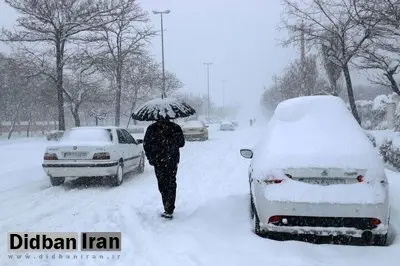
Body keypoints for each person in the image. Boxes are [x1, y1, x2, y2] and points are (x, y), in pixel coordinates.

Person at [143, 118, 185, 219]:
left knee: (162, 184)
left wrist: (151, 158)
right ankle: (169, 208)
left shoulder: (152, 128)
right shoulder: (175, 127)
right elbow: (182, 143)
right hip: (172, 161)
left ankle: (167, 205)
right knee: (171, 182)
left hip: (159, 161)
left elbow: (146, 145)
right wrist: (171, 141)